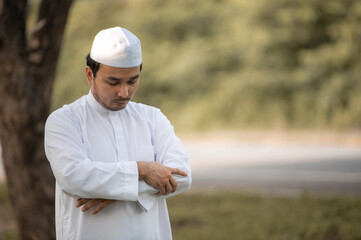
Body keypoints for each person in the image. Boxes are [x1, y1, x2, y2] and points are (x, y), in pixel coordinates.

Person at [44, 26, 192, 240]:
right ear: (89, 75)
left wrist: (122, 191)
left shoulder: (152, 118)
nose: (124, 92)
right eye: (113, 82)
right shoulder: (64, 121)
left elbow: (182, 176)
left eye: (132, 81)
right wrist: (143, 170)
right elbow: (74, 177)